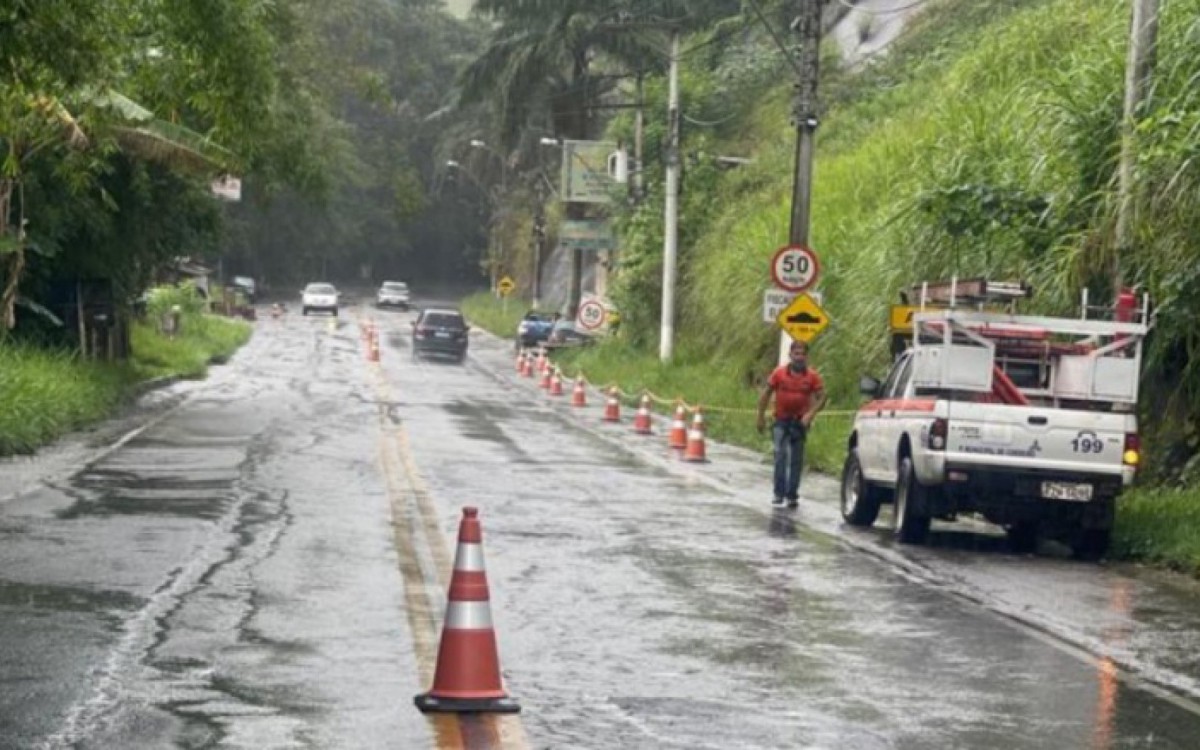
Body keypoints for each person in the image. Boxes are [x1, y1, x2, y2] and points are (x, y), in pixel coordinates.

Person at [756, 340, 826, 508]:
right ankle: (778, 493)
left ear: (807, 356)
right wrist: (760, 417)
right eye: (796, 354)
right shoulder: (778, 374)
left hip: (799, 423)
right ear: (790, 355)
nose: (799, 357)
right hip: (781, 420)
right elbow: (766, 394)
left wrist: (811, 414)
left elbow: (822, 397)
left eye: (802, 354)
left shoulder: (812, 377)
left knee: (796, 459)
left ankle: (792, 494)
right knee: (780, 455)